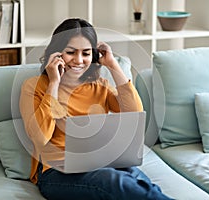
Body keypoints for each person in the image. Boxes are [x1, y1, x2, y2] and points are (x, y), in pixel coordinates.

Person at [20, 18, 172, 200]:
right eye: (71, 52)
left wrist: (113, 64)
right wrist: (54, 83)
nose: (78, 60)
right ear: (57, 53)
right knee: (114, 181)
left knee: (138, 180)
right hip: (56, 172)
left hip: (102, 162)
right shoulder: (34, 86)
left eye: (86, 53)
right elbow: (40, 138)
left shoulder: (99, 85)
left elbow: (135, 113)